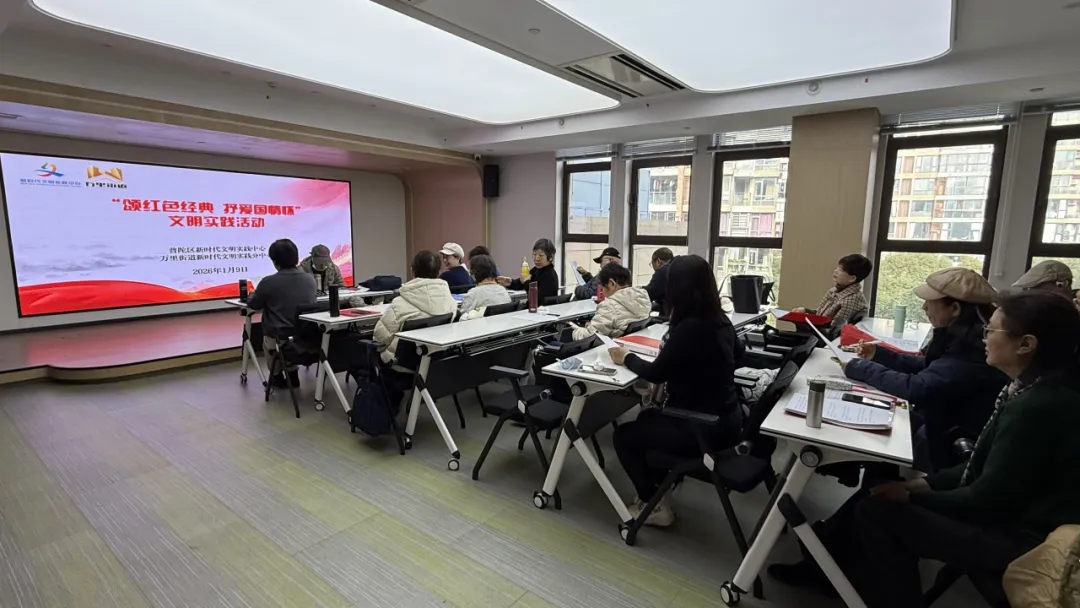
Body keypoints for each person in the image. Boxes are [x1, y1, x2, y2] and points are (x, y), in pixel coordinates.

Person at [847, 291, 1080, 607]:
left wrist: (914, 495)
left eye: (991, 330)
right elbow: (983, 466)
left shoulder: (1038, 406)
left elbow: (985, 502)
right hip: (1019, 522)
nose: (984, 338)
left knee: (877, 511)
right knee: (884, 490)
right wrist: (921, 484)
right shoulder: (1035, 389)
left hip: (1026, 543)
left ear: (1025, 344)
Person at [607, 255, 744, 527]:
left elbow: (656, 373)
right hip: (729, 420)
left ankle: (653, 505)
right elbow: (739, 356)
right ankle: (660, 487)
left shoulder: (690, 328)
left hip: (702, 427)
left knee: (624, 437)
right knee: (646, 418)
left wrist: (626, 357)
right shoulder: (719, 320)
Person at [843, 267, 1007, 472]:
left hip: (950, 438)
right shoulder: (960, 335)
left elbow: (918, 387)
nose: (924, 307)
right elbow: (931, 366)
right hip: (943, 420)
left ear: (955, 309)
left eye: (930, 302)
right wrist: (878, 354)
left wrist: (861, 368)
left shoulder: (972, 348)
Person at [246, 239, 317, 380]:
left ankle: (276, 376)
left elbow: (254, 305)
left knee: (269, 339)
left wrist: (251, 294)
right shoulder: (310, 279)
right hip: (307, 338)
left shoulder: (268, 282)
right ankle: (292, 373)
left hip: (282, 338)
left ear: (274, 261)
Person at [373, 250, 457, 364]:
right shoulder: (450, 301)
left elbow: (380, 339)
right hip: (435, 361)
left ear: (412, 271)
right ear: (438, 272)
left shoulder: (399, 304)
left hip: (400, 363)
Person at [570, 263, 651, 341]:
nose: (602, 291)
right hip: (630, 343)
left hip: (610, 347)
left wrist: (576, 331)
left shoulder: (609, 306)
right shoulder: (643, 298)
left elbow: (588, 337)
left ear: (611, 283)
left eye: (602, 287)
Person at [792, 253, 872, 326]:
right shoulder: (833, 291)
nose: (836, 271)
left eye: (841, 270)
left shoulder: (852, 300)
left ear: (852, 278)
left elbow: (834, 330)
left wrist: (804, 321)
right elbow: (821, 315)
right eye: (837, 268)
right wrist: (806, 311)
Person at [497, 238, 560, 302]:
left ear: (550, 257)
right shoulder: (535, 270)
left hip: (541, 307)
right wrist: (510, 282)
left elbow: (537, 299)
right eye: (534, 254)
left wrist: (526, 282)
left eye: (541, 255)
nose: (536, 258)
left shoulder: (550, 275)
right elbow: (521, 282)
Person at [458, 254, 511, 321]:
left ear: (474, 273)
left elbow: (462, 318)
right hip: (503, 325)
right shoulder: (503, 290)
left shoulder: (473, 293)